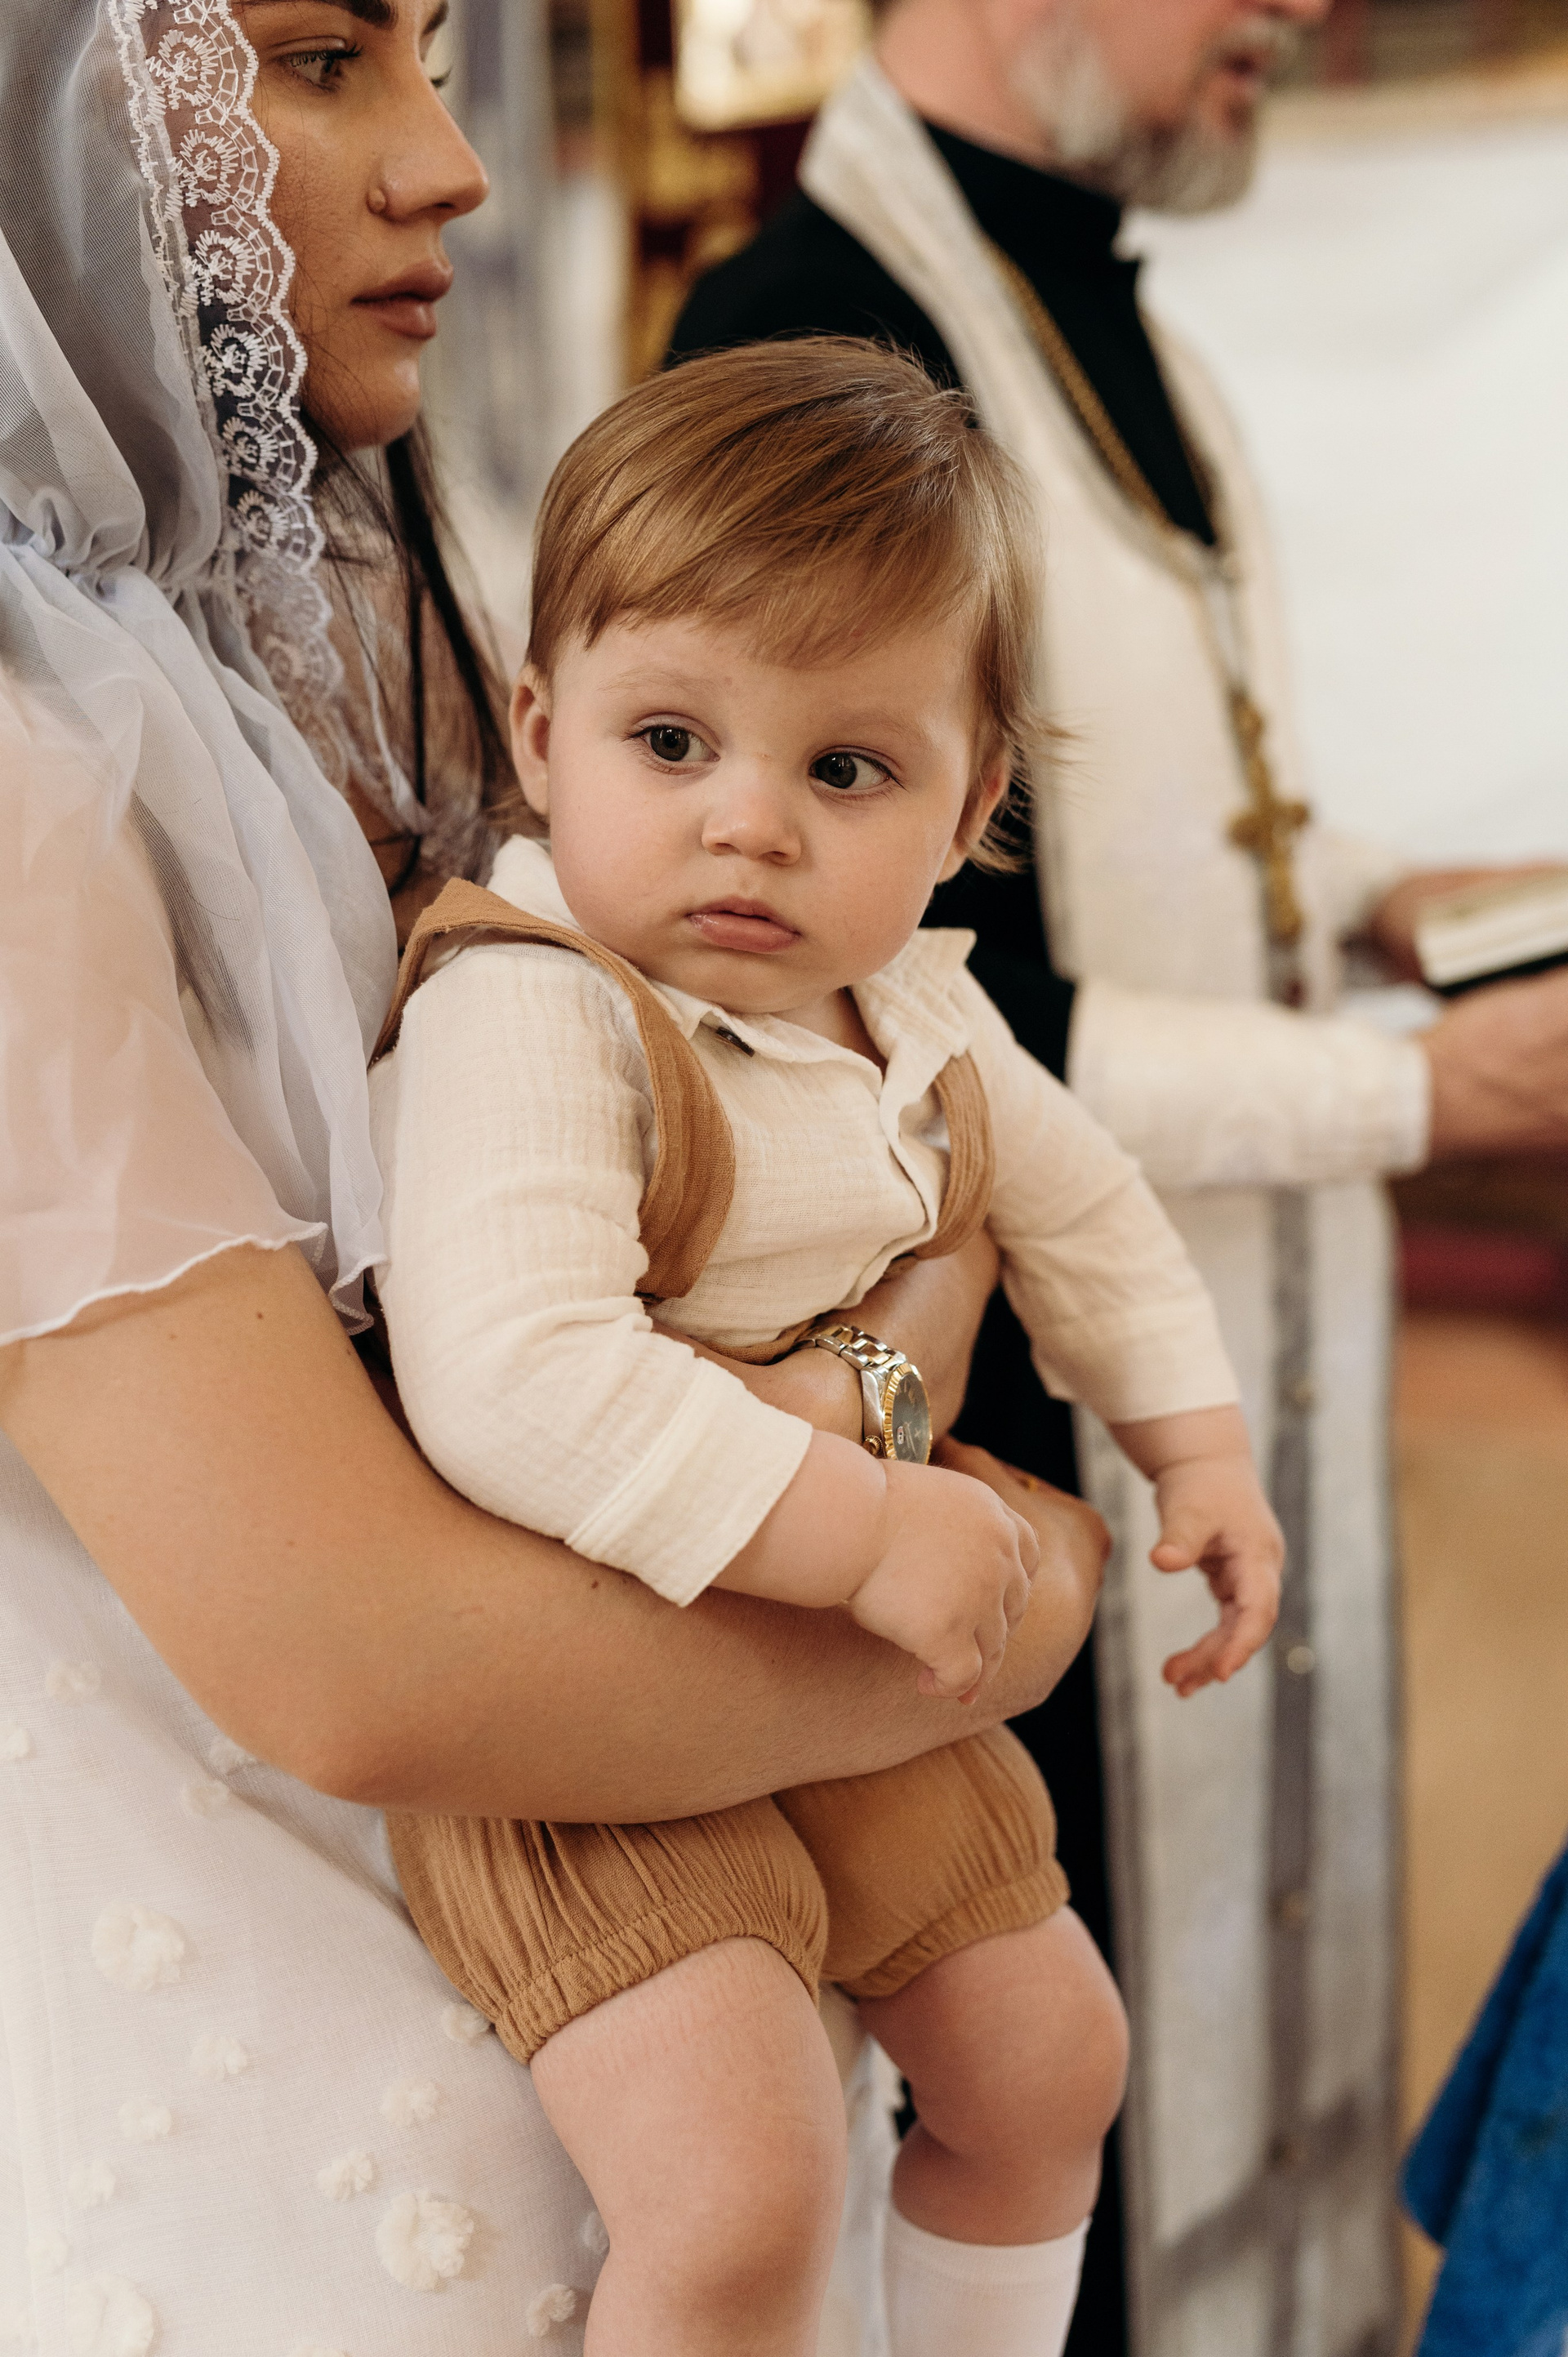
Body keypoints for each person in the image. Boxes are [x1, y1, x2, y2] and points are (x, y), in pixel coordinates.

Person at [0, 6, 1107, 2351]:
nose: (453, 162)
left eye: (431, 51)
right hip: (292, 2042)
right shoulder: (19, 782)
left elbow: (886, 1168)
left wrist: (891, 1417)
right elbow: (355, 1655)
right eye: (320, 59)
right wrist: (988, 1583)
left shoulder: (326, 631)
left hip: (649, 1948)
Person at [668, 2, 1568, 2350]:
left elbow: (1152, 832)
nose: (1303, 9)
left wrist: (1396, 905)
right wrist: (1424, 1098)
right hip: (989, 1419)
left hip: (1227, 1354)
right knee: (1066, 2108)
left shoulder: (1099, 299)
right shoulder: (807, 340)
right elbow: (911, 1004)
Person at [369, 338, 1285, 2357]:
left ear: (971, 807)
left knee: (1051, 2063)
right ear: (542, 730)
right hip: (584, 1704)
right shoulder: (535, 1007)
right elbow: (510, 1377)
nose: (748, 826)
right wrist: (863, 1528)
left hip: (844, 1673)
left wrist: (1200, 1450)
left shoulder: (924, 1016)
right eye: (672, 740)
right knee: (740, 2188)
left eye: (844, 771)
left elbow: (1088, 1212)